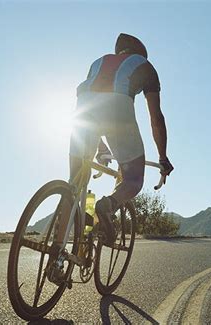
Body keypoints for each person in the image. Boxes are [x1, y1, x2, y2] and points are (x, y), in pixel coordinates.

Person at [47, 33, 174, 285]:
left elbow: (93, 106)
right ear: (140, 54)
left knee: (75, 184)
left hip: (82, 111)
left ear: (119, 52)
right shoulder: (146, 67)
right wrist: (162, 157)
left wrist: (100, 147)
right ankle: (107, 206)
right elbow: (155, 117)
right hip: (117, 108)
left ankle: (56, 257)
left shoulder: (99, 61)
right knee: (134, 179)